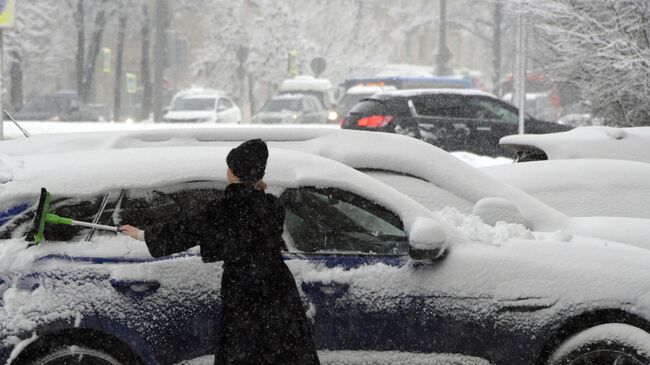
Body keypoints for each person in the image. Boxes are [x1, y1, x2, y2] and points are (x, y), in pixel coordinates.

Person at [120, 139, 320, 365]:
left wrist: (143, 235)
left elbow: (186, 230)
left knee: (243, 350)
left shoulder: (224, 208)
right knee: (283, 350)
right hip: (277, 285)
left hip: (243, 288)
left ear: (233, 173)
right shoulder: (273, 206)